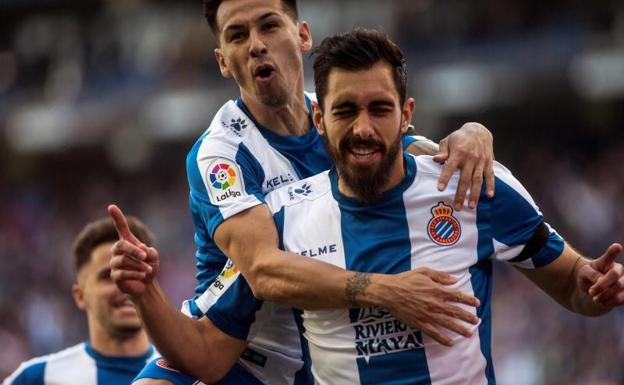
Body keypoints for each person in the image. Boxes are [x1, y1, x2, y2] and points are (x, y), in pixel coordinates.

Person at [185, 28, 624, 384]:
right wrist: (144, 292)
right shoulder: (281, 218)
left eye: (379, 109)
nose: (364, 128)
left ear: (406, 113)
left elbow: (573, 286)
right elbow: (207, 350)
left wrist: (595, 288)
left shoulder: (471, 185)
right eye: (345, 111)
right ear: (319, 119)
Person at [118, 0, 497, 383]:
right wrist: (386, 290)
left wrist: (472, 135)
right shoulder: (222, 154)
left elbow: (412, 156)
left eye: (269, 26)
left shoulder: (341, 114)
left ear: (302, 35)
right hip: (235, 346)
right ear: (222, 60)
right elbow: (263, 270)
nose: (256, 45)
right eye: (237, 35)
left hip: (322, 354)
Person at [2, 216, 159, 385]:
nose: (127, 286)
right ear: (80, 296)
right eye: (109, 276)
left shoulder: (185, 375)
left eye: (136, 272)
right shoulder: (36, 379)